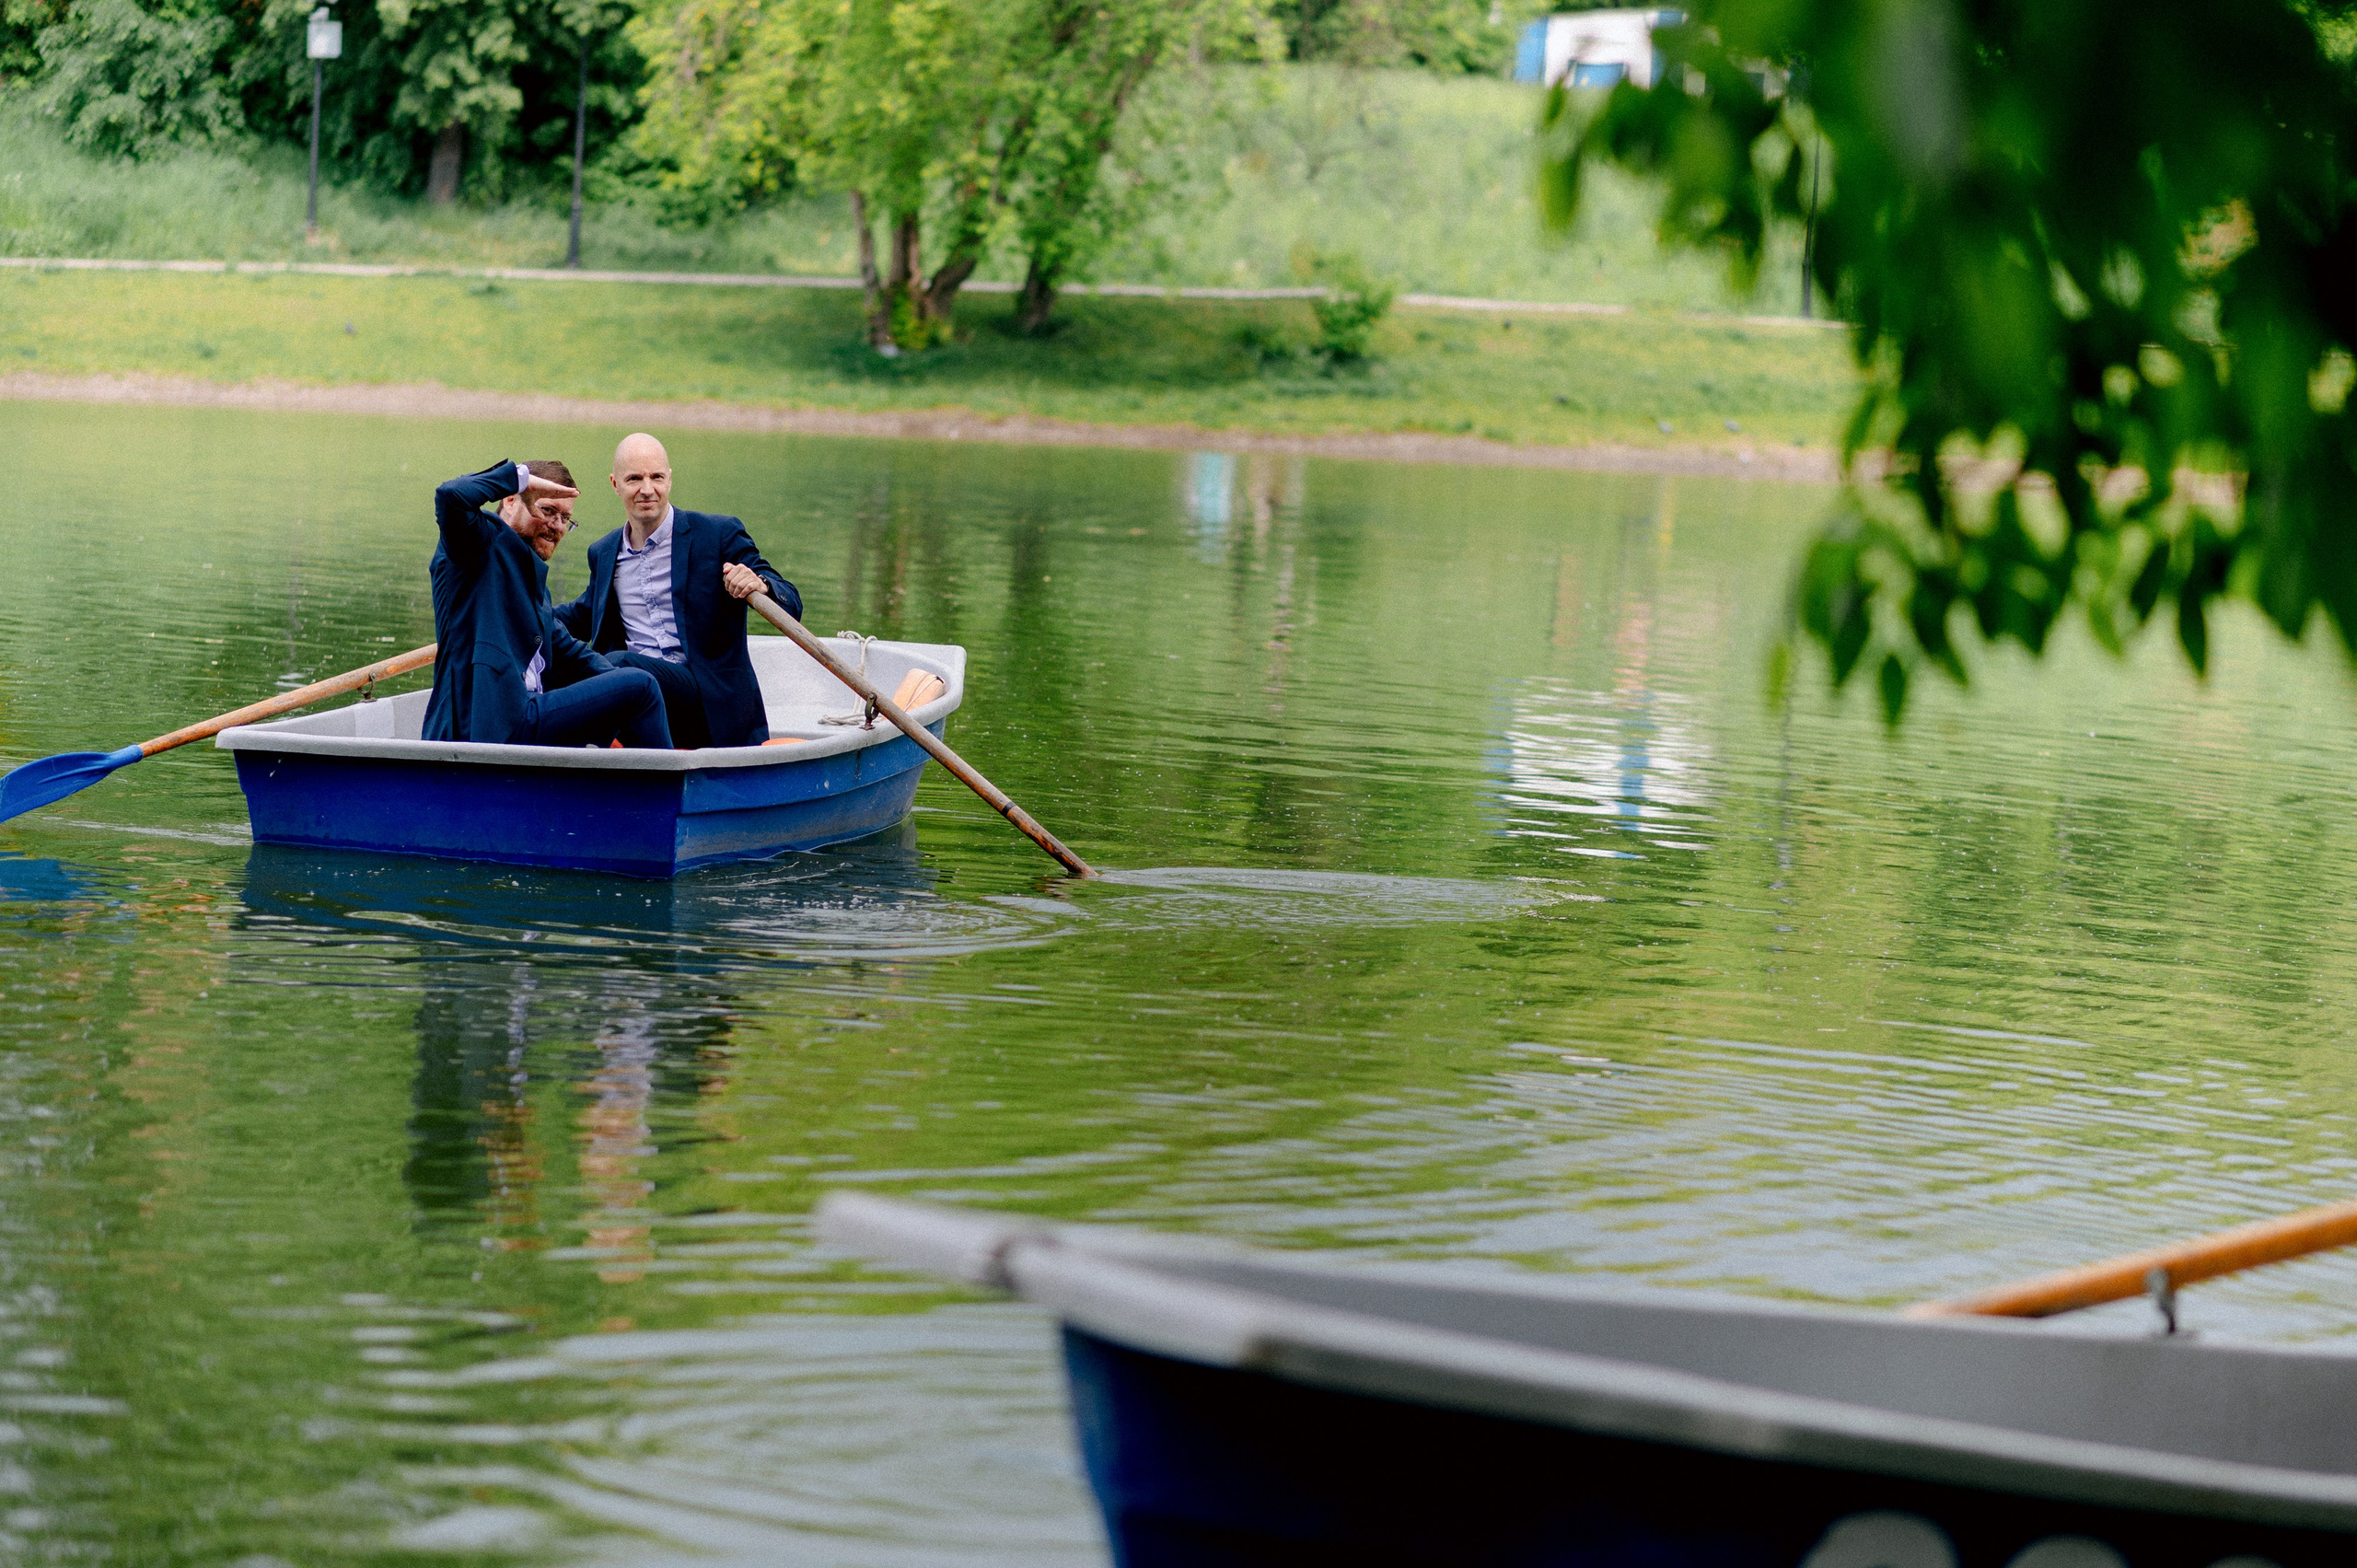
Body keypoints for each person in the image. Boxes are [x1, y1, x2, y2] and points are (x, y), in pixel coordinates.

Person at [555, 433, 800, 749]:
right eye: (634, 479)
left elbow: (791, 602)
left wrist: (761, 584)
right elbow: (581, 616)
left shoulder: (717, 534)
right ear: (615, 484)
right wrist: (519, 609)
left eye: (656, 477)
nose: (647, 489)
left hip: (706, 699)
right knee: (571, 666)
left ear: (669, 479)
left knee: (617, 667)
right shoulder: (603, 552)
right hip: (638, 700)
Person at [422, 459, 673, 749]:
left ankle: (642, 781)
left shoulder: (531, 581)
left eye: (565, 518)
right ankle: (670, 786)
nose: (556, 526)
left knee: (636, 685)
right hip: (488, 727)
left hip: (525, 718)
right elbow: (451, 495)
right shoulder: (477, 544)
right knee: (640, 688)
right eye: (548, 510)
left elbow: (570, 653)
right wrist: (518, 477)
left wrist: (620, 698)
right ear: (512, 499)